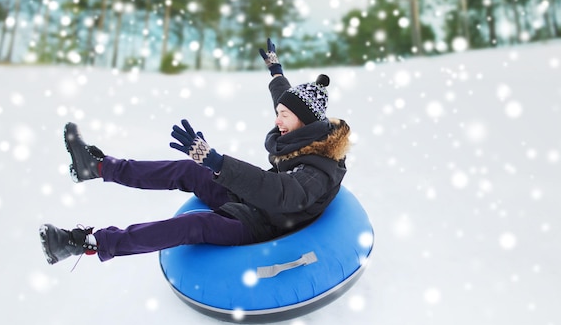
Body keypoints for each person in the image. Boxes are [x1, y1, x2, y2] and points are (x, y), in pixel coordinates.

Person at [39, 39, 351, 265]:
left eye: (284, 115)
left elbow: (280, 193)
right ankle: (97, 167)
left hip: (263, 224)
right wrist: (275, 70)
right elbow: (285, 99)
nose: (277, 118)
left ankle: (86, 243)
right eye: (279, 112)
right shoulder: (306, 130)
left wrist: (218, 162)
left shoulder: (317, 171)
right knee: (188, 171)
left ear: (304, 121)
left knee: (193, 224)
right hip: (252, 201)